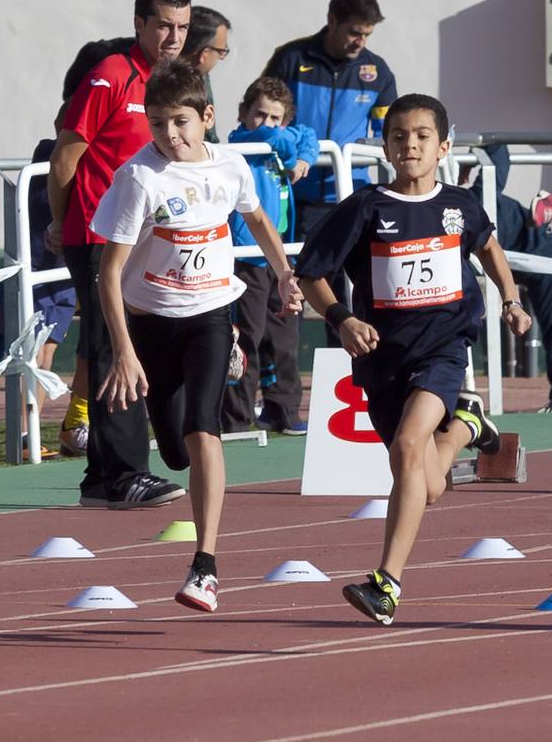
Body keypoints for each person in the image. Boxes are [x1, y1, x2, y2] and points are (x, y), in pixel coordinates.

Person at [293, 95, 527, 625]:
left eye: (423, 135)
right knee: (429, 484)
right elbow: (310, 273)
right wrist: (343, 320)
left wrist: (510, 299)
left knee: (406, 445)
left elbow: (488, 248)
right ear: (385, 145)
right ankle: (466, 427)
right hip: (383, 358)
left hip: (444, 348)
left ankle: (386, 582)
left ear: (443, 146)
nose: (411, 145)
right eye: (399, 136)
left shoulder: (461, 205)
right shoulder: (365, 208)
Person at [88, 64, 292, 612]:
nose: (169, 136)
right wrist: (125, 352)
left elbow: (258, 219)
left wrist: (283, 273)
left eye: (180, 122)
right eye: (157, 124)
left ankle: (206, 564)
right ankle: (205, 373)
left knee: (206, 431)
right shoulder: (141, 178)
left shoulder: (230, 165)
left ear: (207, 117)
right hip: (151, 321)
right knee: (176, 453)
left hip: (209, 313)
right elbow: (108, 273)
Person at [51, 0, 195, 510]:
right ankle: (127, 473)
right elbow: (67, 156)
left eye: (182, 26)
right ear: (139, 23)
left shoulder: (179, 84)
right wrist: (63, 228)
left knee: (137, 347)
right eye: (163, 24)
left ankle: (99, 478)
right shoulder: (111, 75)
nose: (173, 36)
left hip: (152, 243)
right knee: (115, 349)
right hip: (97, 235)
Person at [225, 76, 316, 433]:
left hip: (278, 256)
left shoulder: (280, 143)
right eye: (259, 114)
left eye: (275, 117)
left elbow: (305, 134)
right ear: (243, 115)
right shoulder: (239, 143)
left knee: (283, 336)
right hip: (247, 255)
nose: (266, 124)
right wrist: (289, 144)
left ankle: (283, 409)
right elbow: (277, 137)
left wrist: (305, 158)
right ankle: (234, 418)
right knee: (245, 338)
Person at [260, 0, 392, 210]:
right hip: (291, 191)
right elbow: (259, 119)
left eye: (367, 35)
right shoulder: (290, 58)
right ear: (332, 20)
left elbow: (389, 134)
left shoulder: (378, 71)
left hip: (350, 195)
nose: (360, 42)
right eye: (354, 33)